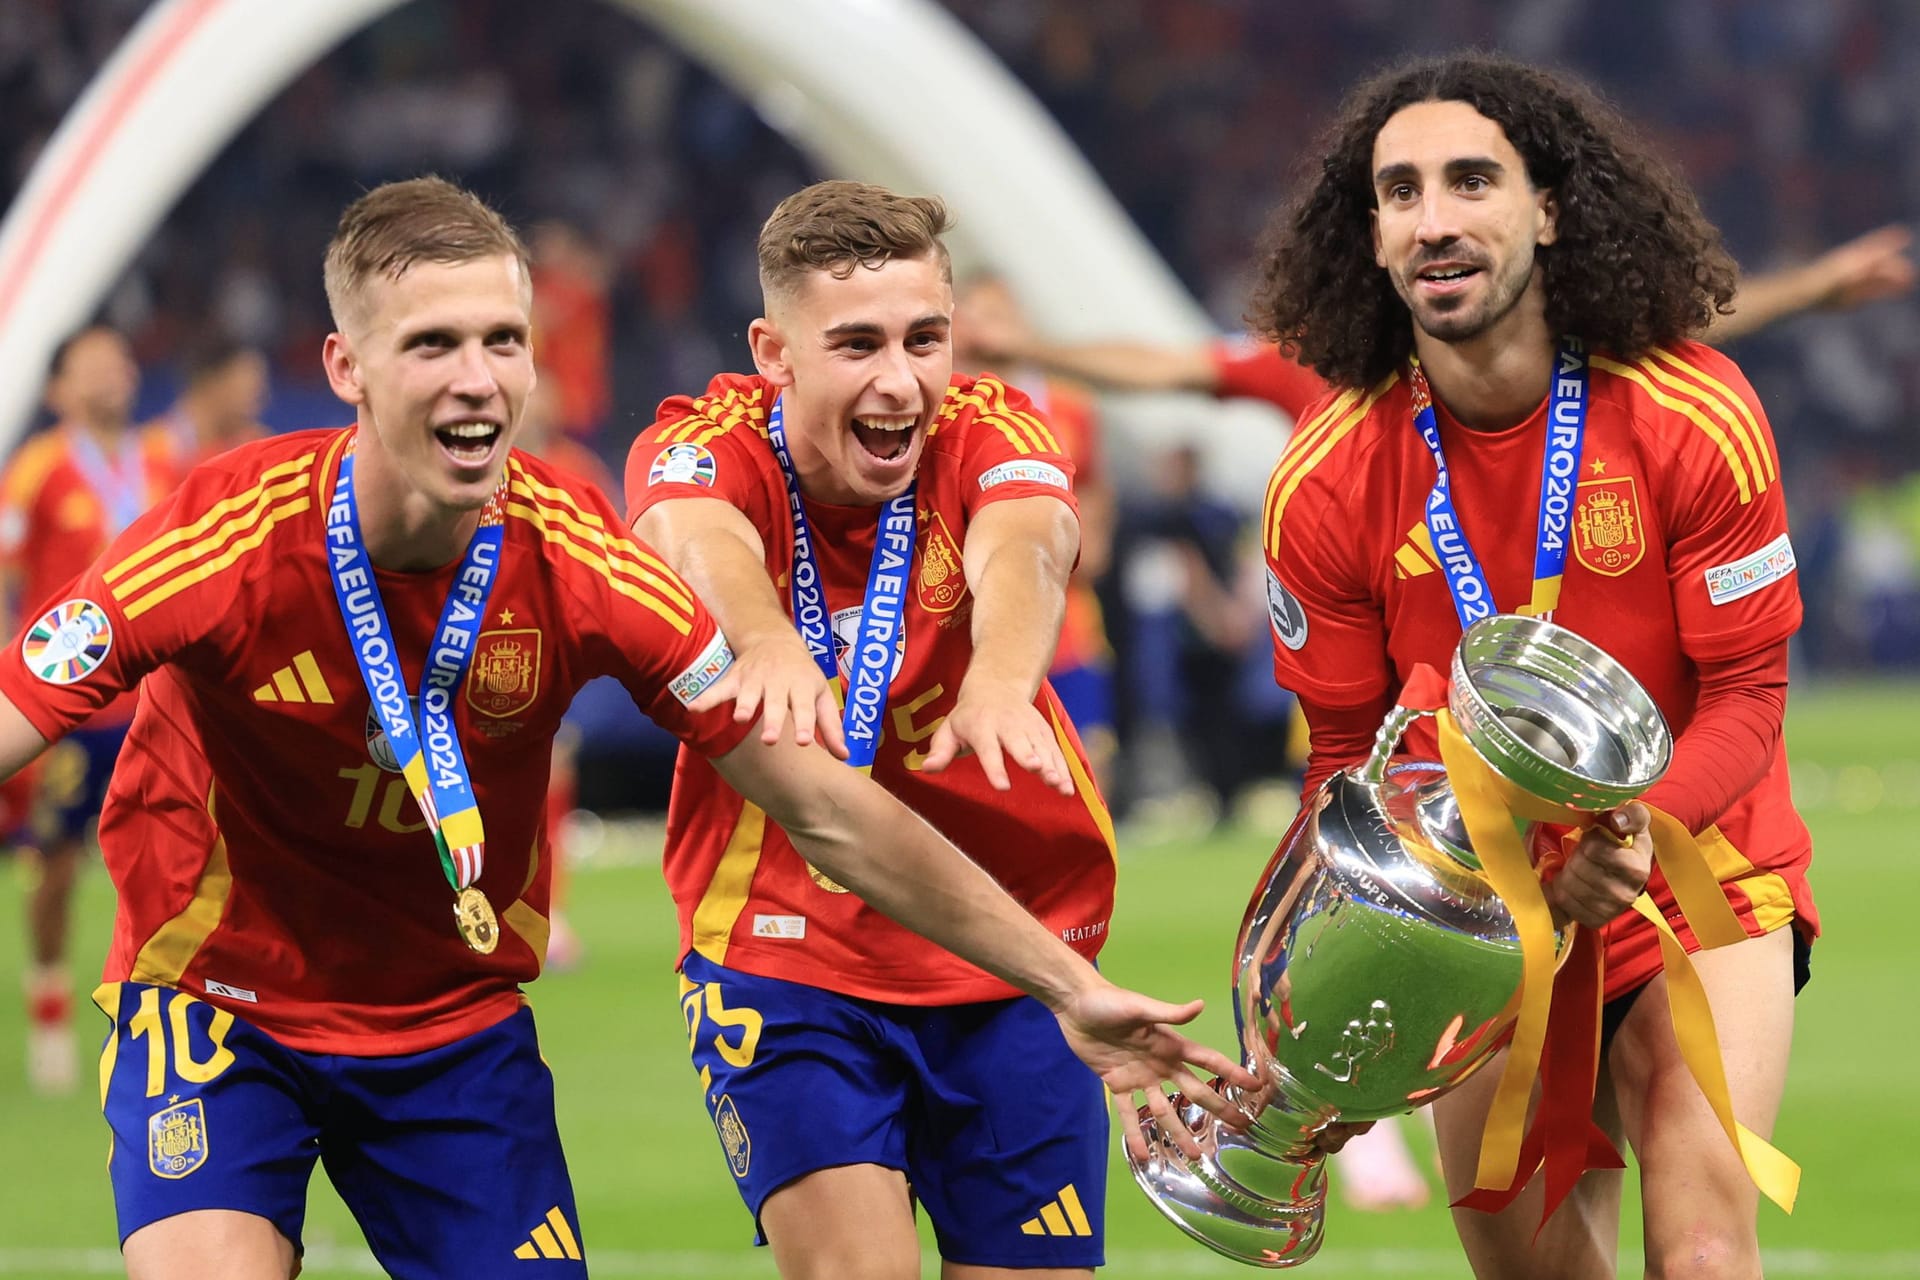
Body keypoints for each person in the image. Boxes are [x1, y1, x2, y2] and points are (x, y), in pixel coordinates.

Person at [0, 177, 1250, 1280]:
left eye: (503, 339)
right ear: (346, 368)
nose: (478, 377)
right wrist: (765, 634)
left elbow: (826, 801)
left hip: (453, 1026)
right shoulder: (222, 534)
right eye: (433, 344)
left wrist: (1065, 982)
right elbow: (17, 702)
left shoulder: (577, 557)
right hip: (220, 1002)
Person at [1251, 53, 1814, 1278]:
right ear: (1375, 236)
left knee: (1705, 1249)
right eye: (1400, 192)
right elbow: (1344, 765)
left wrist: (1631, 829)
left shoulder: (1688, 411)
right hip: (1483, 914)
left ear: (1549, 209)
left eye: (1471, 182)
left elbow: (1750, 695)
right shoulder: (1327, 477)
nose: (1435, 219)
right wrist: (1335, 978)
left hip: (1694, 871)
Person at [627, 180, 1150, 1279]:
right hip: (787, 956)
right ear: (774, 352)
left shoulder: (988, 425)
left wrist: (1005, 678)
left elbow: (1029, 541)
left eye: (925, 338)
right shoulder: (703, 444)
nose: (901, 381)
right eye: (857, 344)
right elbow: (692, 533)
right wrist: (763, 635)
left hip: (1015, 953)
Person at [961, 224, 1914, 419]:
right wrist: (1028, 347)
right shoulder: (1320, 361)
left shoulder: (1528, 336)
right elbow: (1169, 365)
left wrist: (1817, 286)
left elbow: (1682, 321)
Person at [0, 325, 175, 1093]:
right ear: (57, 389)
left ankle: (170, 1016)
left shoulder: (165, 462)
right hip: (71, 713)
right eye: (92, 366)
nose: (112, 375)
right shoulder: (37, 469)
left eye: (120, 359)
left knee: (179, 861)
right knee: (60, 866)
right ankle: (47, 1008)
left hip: (160, 707)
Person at [953, 274, 1119, 789]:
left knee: (1089, 753)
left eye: (1000, 316)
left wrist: (1094, 542)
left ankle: (1101, 861)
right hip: (975, 618)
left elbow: (1095, 484)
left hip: (1069, 614)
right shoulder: (946, 406)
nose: (989, 332)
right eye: (977, 317)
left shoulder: (1068, 405)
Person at [141, 337, 271, 474]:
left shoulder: (253, 445)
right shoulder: (152, 447)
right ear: (211, 380)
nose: (262, 396)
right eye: (251, 386)